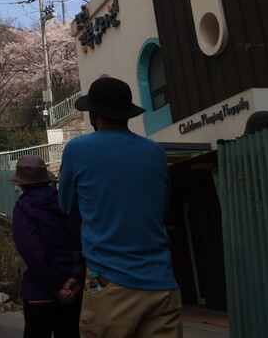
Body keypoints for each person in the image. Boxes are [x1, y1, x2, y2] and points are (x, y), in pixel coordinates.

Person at [58, 77, 181, 338]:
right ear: (128, 113)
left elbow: (67, 206)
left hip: (110, 282)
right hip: (162, 283)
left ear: (93, 115)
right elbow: (160, 206)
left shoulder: (78, 149)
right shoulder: (155, 151)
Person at [11, 155, 83, 338]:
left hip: (39, 290)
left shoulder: (23, 207)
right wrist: (74, 277)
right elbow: (78, 241)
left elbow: (32, 251)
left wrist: (54, 287)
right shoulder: (63, 201)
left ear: (22, 184)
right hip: (71, 288)